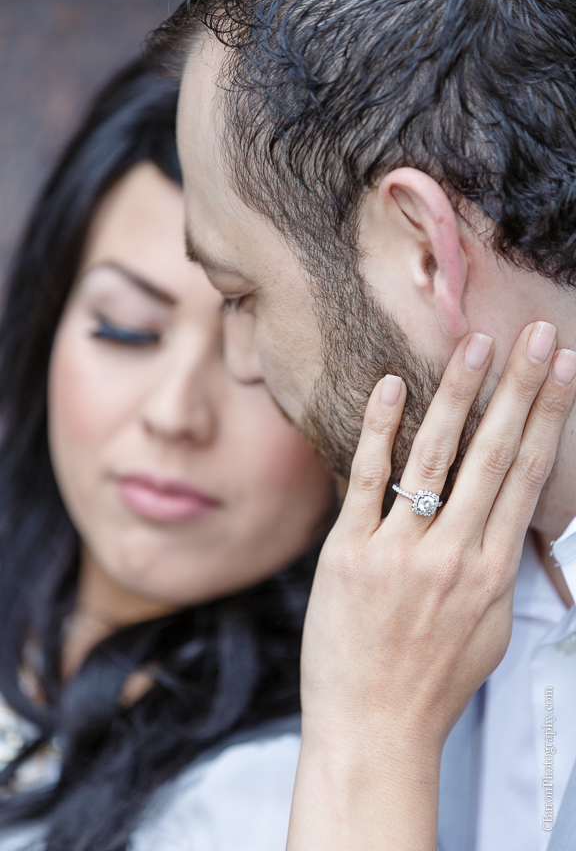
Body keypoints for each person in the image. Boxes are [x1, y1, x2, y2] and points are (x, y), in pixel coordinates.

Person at [149, 0, 576, 849]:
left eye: (242, 294)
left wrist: (366, 745)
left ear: (424, 250)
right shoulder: (409, 589)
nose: (240, 364)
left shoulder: (382, 657)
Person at [0, 58, 335, 851]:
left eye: (257, 362)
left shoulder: (285, 798)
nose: (174, 414)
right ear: (47, 331)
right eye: (125, 327)